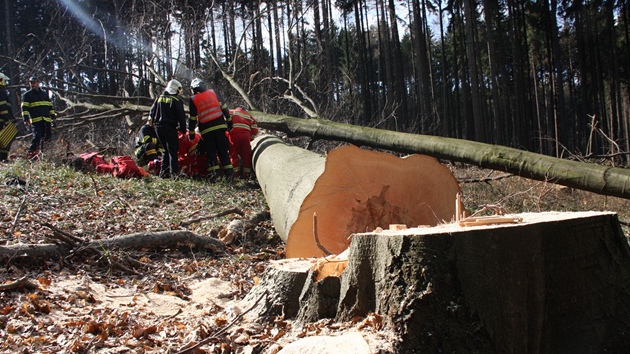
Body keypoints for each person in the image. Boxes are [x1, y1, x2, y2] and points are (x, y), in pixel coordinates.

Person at [187, 78, 234, 182]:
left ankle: (215, 177)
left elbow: (192, 118)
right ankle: (229, 177)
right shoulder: (214, 92)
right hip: (220, 127)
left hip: (206, 130)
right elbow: (225, 108)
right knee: (223, 152)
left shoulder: (193, 99)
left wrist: (191, 134)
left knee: (211, 154)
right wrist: (230, 122)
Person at [150, 79, 187, 178]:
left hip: (158, 127)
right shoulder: (176, 101)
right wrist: (183, 130)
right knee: (172, 150)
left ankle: (163, 173)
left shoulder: (158, 98)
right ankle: (174, 174)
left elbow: (152, 113)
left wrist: (152, 124)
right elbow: (181, 117)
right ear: (176, 89)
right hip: (170, 127)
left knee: (165, 149)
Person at [21, 76, 55, 159]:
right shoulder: (27, 95)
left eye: (34, 82)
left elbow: (50, 106)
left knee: (47, 137)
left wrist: (53, 117)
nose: (32, 84)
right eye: (30, 83)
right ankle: (31, 153)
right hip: (36, 120)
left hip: (46, 120)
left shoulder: (44, 94)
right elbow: (24, 108)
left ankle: (44, 155)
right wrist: (26, 118)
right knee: (37, 136)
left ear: (38, 83)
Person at [227, 107, 258, 179]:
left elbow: (225, 123)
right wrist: (251, 138)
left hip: (234, 134)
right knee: (246, 155)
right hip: (246, 135)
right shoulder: (248, 114)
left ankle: (235, 175)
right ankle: (247, 175)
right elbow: (255, 129)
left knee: (233, 154)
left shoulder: (230, 112)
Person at [0, 73, 14, 161]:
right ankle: (3, 159)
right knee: (5, 140)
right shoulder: (1, 91)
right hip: (1, 120)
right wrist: (6, 119)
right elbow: (3, 106)